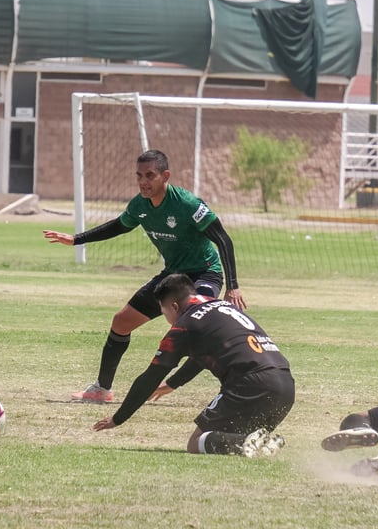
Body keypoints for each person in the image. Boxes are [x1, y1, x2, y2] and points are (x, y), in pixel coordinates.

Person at [44, 149, 246, 404]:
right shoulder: (139, 205)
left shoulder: (187, 204)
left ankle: (236, 385)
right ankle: (101, 389)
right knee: (121, 322)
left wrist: (233, 286)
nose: (143, 181)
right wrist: (76, 239)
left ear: (165, 176)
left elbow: (223, 240)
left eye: (150, 175)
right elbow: (119, 226)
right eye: (139, 175)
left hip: (204, 273)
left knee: (198, 327)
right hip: (173, 275)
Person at [92, 274, 294, 456]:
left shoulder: (184, 326)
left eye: (164, 312)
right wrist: (172, 384)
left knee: (196, 442)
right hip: (285, 385)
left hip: (250, 384)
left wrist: (118, 418)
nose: (167, 319)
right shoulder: (220, 305)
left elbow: (151, 376)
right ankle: (257, 442)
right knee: (232, 436)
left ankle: (245, 442)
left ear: (174, 307)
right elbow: (201, 357)